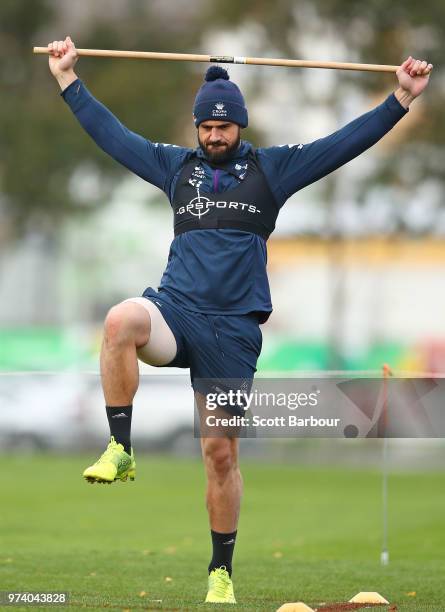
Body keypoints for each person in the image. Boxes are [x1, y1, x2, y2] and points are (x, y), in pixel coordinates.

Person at [47, 36, 432, 604]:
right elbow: (113, 137)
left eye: (224, 128)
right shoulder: (175, 167)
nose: (213, 136)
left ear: (240, 127)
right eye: (206, 127)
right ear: (197, 128)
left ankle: (220, 572)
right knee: (119, 321)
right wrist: (67, 80)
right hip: (176, 310)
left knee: (220, 453)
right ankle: (120, 448)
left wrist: (401, 97)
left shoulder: (273, 171)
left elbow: (343, 143)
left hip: (233, 330)